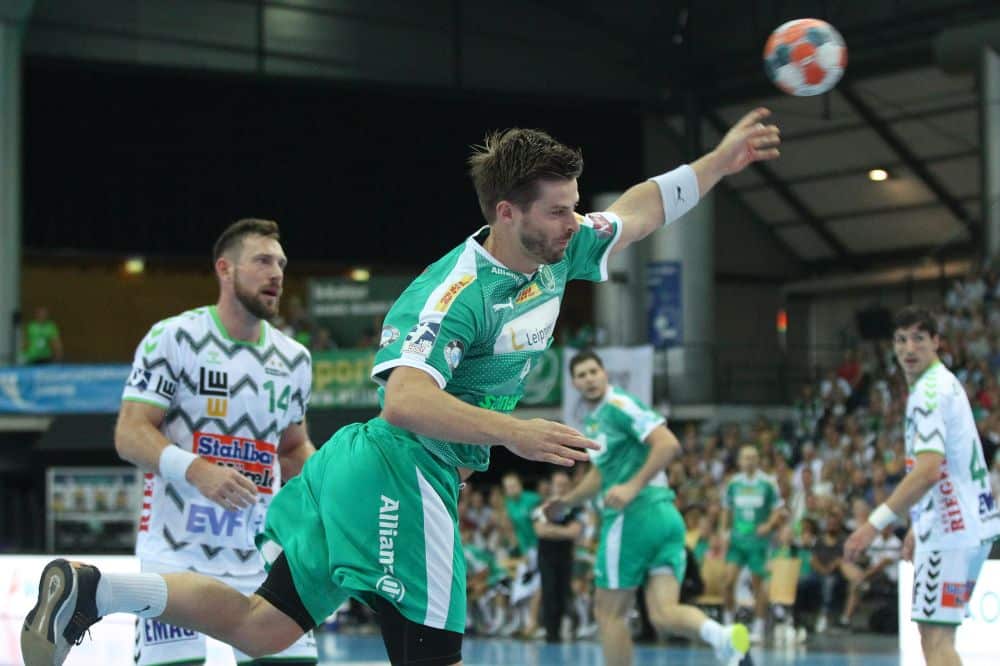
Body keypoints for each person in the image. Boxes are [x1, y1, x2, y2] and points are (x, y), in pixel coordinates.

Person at [22, 108, 780, 666]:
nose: (573, 220)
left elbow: (638, 212)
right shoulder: (453, 293)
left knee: (263, 628)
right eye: (558, 210)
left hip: (368, 469)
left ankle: (95, 592)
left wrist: (719, 161)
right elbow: (404, 399)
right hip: (405, 471)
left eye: (574, 205)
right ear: (508, 213)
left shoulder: (560, 250)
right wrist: (517, 432)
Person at [110, 220, 324, 664]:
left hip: (260, 555)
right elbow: (130, 433)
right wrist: (196, 470)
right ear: (225, 269)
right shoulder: (174, 338)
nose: (277, 273)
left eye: (281, 264)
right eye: (262, 261)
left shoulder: (295, 359)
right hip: (175, 553)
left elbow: (292, 450)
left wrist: (336, 490)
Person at [544, 350, 752, 666]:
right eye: (581, 375)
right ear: (574, 383)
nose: (589, 379)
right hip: (665, 518)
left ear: (605, 374)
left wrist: (632, 486)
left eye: (593, 372)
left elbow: (668, 443)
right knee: (663, 614)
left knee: (608, 613)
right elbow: (600, 474)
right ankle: (723, 637)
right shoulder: (595, 420)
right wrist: (568, 501)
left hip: (634, 517)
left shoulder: (619, 405)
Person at [845, 306, 1000, 666]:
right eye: (901, 340)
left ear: (936, 342)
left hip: (951, 532)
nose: (909, 348)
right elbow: (951, 465)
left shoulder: (929, 393)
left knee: (936, 640)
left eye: (918, 338)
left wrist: (873, 525)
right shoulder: (945, 384)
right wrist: (919, 523)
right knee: (938, 637)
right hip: (969, 526)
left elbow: (928, 470)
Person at [719, 445, 785, 642]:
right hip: (737, 540)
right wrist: (723, 532)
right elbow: (726, 509)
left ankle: (758, 626)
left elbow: (778, 509)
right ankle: (728, 623)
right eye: (746, 457)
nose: (749, 461)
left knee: (758, 585)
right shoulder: (733, 483)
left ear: (758, 460)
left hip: (758, 542)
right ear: (739, 461)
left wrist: (769, 525)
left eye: (753, 457)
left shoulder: (768, 483)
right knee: (727, 582)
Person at [533, 469, 584, 643]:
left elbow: (574, 532)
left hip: (566, 557)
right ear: (552, 486)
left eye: (564, 485)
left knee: (564, 594)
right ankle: (550, 633)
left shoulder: (574, 508)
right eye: (558, 485)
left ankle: (564, 630)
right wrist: (563, 531)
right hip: (546, 558)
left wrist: (552, 531)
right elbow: (540, 531)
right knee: (549, 594)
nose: (561, 488)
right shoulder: (542, 507)